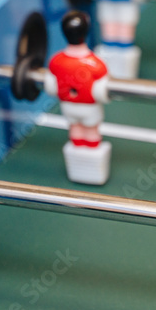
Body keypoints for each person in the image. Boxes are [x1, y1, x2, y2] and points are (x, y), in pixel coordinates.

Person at [45, 11, 111, 185]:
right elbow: (103, 90)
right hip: (90, 108)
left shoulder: (56, 61)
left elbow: (51, 87)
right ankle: (91, 169)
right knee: (91, 132)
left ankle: (80, 166)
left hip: (69, 108)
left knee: (75, 130)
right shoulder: (96, 63)